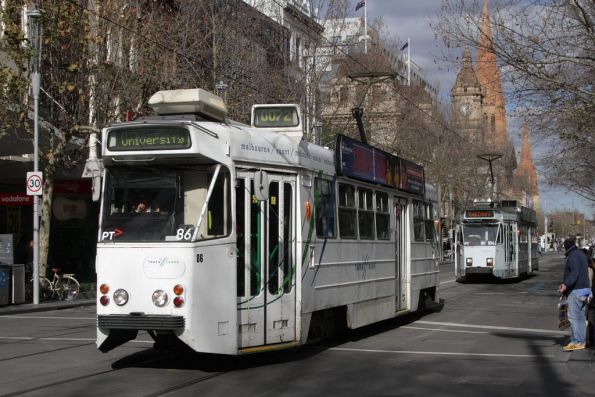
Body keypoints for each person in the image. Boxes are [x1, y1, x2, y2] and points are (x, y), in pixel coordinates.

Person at [558, 237, 591, 351]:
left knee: (573, 317)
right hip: (585, 289)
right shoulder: (581, 254)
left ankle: (577, 341)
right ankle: (581, 341)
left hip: (576, 290)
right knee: (581, 317)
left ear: (566, 247)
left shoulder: (572, 256)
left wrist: (565, 285)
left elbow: (574, 273)